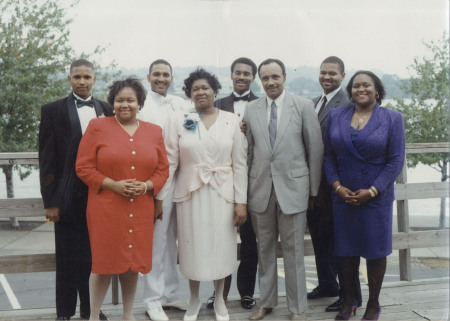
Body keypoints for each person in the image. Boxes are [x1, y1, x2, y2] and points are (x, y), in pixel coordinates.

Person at [157, 68, 248, 321]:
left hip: (223, 193)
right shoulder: (178, 119)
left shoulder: (231, 119)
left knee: (222, 246)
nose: (200, 92)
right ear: (189, 93)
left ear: (214, 91)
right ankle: (194, 299)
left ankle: (220, 299)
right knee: (192, 247)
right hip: (190, 194)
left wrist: (241, 202)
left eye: (205, 88)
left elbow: (240, 164)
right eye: (195, 89)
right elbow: (170, 163)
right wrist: (160, 199)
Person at [75, 77, 169, 321]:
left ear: (140, 103)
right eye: (119, 100)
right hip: (105, 208)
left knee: (132, 265)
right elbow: (83, 168)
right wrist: (113, 185)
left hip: (141, 208)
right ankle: (94, 316)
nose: (124, 104)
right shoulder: (98, 126)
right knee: (103, 265)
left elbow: (163, 170)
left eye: (130, 100)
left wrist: (147, 186)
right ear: (112, 103)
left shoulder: (154, 131)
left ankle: (128, 315)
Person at [243, 59, 323, 321]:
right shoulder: (251, 108)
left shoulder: (303, 106)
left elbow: (315, 150)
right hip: (260, 190)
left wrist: (312, 191)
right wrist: (244, 192)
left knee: (294, 252)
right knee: (263, 250)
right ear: (260, 81)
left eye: (275, 77)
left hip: (294, 190)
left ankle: (297, 308)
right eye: (265, 78)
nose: (270, 82)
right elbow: (249, 152)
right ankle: (264, 303)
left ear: (285, 77)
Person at [323, 70, 405, 320]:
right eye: (356, 86)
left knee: (375, 251)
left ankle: (373, 304)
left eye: (366, 85)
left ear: (377, 90)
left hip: (375, 198)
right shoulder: (336, 115)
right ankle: (349, 301)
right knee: (346, 252)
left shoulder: (392, 119)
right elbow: (328, 156)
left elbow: (395, 161)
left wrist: (372, 191)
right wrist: (337, 186)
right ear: (350, 92)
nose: (361, 89)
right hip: (344, 196)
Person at [39, 59, 112, 321]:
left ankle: (91, 310)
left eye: (87, 77)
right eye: (77, 77)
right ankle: (64, 312)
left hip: (99, 194)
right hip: (66, 196)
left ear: (95, 79)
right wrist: (50, 201)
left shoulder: (107, 109)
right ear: (69, 79)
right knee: (67, 257)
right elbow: (46, 159)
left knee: (94, 256)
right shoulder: (53, 110)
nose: (82, 81)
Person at [307, 56, 362, 312]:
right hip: (316, 185)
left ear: (342, 75)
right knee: (320, 236)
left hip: (338, 183)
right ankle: (327, 284)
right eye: (323, 73)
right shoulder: (315, 103)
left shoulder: (348, 104)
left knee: (343, 242)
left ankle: (350, 295)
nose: (326, 77)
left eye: (332, 73)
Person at [139, 59, 190, 321]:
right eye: (156, 74)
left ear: (172, 77)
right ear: (148, 77)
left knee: (174, 241)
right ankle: (152, 299)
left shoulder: (181, 103)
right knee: (156, 242)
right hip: (157, 181)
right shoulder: (142, 106)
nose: (161, 78)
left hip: (183, 179)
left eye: (166, 74)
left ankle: (170, 293)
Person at [207, 57, 259, 311]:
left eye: (247, 74)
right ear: (231, 75)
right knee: (221, 239)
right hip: (223, 181)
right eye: (237, 73)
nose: (241, 77)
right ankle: (219, 294)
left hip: (255, 180)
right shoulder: (216, 104)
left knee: (250, 242)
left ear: (253, 77)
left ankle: (247, 293)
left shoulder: (261, 105)